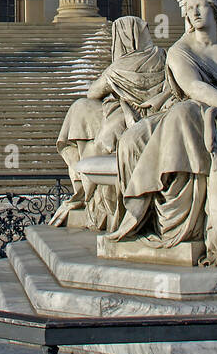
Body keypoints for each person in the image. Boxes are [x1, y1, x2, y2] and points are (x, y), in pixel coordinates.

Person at [109, 0, 217, 265]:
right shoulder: (180, 50)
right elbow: (193, 87)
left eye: (201, 6)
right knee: (140, 137)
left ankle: (196, 221)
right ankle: (158, 218)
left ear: (215, 9)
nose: (194, 12)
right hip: (199, 107)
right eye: (190, 8)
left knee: (183, 118)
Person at [51, 17, 168, 229]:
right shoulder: (162, 57)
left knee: (83, 113)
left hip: (131, 123)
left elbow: (93, 92)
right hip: (156, 118)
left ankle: (90, 194)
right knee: (87, 115)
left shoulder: (119, 67)